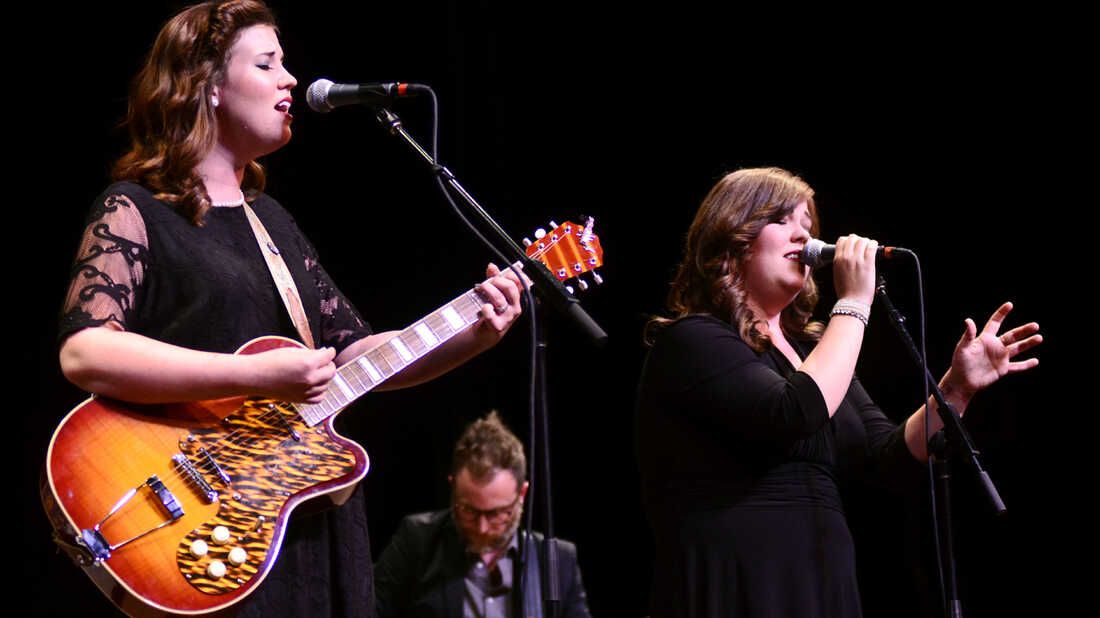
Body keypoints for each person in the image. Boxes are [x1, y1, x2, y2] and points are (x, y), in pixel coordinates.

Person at [57, 2, 524, 616]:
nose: (291, 81)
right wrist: (256, 375)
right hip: (203, 523)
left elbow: (355, 356)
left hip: (299, 519)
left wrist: (472, 333)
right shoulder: (135, 210)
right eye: (268, 63)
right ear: (208, 85)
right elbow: (86, 350)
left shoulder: (271, 221)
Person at [635, 167, 1041, 617]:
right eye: (784, 220)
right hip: (739, 579)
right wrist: (854, 304)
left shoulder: (812, 351)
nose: (803, 237)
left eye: (808, 227)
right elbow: (792, 412)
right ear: (735, 233)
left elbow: (884, 457)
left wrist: (957, 388)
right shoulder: (694, 340)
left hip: (821, 581)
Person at [374, 412, 591, 618]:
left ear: (522, 494)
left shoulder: (558, 560)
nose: (482, 528)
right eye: (469, 510)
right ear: (453, 487)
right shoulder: (417, 540)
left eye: (496, 514)